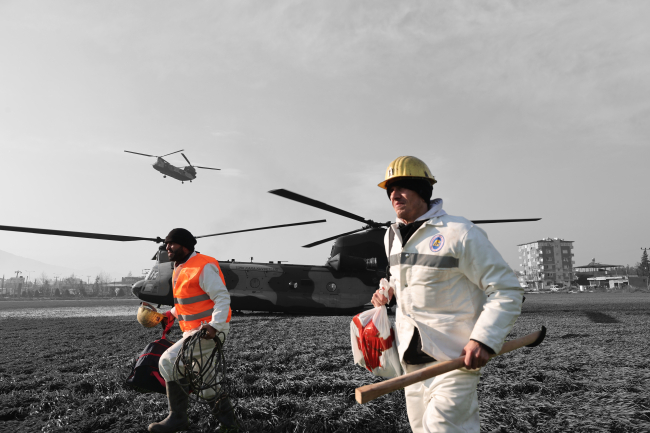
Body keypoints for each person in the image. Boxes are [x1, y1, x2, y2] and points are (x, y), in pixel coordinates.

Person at [371, 156, 523, 433]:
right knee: (421, 429)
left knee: (443, 428)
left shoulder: (460, 233)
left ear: (423, 191)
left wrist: (484, 339)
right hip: (410, 360)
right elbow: (401, 277)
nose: (394, 194)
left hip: (453, 359)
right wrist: (386, 292)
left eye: (403, 186)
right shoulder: (391, 237)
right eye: (390, 189)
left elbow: (505, 289)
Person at [148, 228, 238, 433]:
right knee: (207, 384)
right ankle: (230, 425)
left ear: (184, 245)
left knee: (168, 361)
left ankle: (177, 418)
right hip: (196, 331)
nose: (166, 247)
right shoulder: (181, 267)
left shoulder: (203, 266)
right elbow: (187, 303)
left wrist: (214, 326)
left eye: (171, 243)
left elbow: (222, 298)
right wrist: (170, 314)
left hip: (208, 331)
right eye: (166, 243)